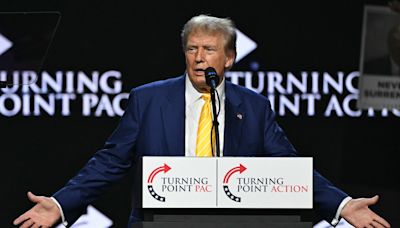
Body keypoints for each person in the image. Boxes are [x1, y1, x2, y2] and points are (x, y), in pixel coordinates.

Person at [14, 14, 391, 228]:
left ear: (228, 58)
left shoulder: (253, 107)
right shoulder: (148, 99)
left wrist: (342, 205)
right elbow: (110, 161)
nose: (198, 57)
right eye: (191, 48)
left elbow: (288, 168)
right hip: (157, 223)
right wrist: (60, 204)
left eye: (209, 49)